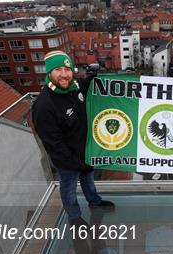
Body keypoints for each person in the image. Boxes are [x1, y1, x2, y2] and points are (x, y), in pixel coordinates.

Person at [32, 51, 114, 225]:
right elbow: (53, 144)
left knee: (89, 181)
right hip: (67, 160)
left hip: (85, 151)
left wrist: (90, 79)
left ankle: (94, 201)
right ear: (48, 73)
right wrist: (75, 163)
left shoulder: (74, 87)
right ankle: (74, 217)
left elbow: (82, 90)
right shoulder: (44, 106)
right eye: (58, 70)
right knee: (68, 189)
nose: (64, 74)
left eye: (67, 69)